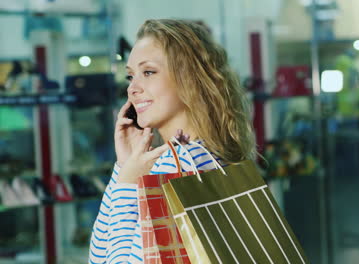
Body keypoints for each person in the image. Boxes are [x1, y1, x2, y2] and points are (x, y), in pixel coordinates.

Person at [88, 19, 255, 263]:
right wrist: (125, 167)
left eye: (148, 72)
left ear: (189, 78)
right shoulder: (210, 154)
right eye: (130, 76)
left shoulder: (177, 167)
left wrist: (125, 183)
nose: (132, 88)